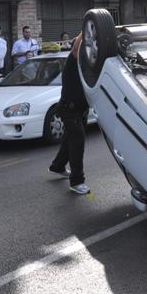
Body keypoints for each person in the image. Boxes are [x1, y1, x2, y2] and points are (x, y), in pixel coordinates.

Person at [49, 33, 91, 195]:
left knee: (69, 140)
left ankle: (57, 166)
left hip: (80, 109)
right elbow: (76, 48)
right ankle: (77, 181)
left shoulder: (86, 64)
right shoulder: (73, 61)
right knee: (77, 142)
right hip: (69, 109)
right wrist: (87, 27)